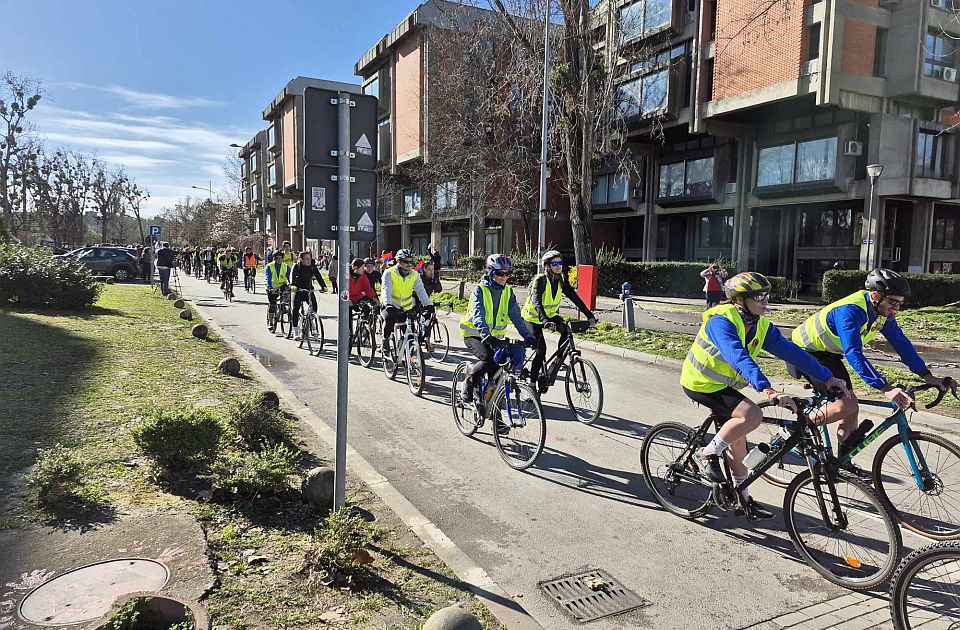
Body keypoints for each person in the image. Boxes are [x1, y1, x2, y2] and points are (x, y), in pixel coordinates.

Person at [681, 271, 850, 520]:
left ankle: (743, 500)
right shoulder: (721, 320)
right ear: (740, 299)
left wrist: (828, 378)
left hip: (724, 385)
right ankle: (706, 453)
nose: (764, 301)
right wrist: (767, 389)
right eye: (758, 297)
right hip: (701, 382)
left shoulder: (760, 325)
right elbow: (738, 357)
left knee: (738, 447)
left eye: (766, 296)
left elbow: (792, 352)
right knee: (751, 414)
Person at [790, 268, 952, 475]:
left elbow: (901, 343)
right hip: (806, 351)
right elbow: (853, 353)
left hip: (828, 353)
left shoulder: (882, 312)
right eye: (893, 302)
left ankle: (843, 464)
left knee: (851, 408)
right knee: (845, 404)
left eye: (900, 303)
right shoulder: (850, 311)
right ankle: (795, 431)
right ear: (876, 296)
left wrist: (927, 375)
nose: (897, 308)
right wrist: (885, 388)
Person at [459, 254, 536, 405]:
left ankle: (496, 419)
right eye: (500, 273)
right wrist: (486, 336)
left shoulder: (507, 292)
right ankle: (468, 382)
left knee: (497, 378)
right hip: (474, 335)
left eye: (507, 273)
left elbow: (517, 318)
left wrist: (528, 336)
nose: (504, 277)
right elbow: (478, 315)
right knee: (487, 359)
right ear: (491, 272)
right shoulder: (479, 291)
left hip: (495, 339)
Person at [522, 250, 596, 393]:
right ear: (547, 266)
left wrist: (589, 315)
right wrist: (544, 320)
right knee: (541, 350)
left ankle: (557, 362)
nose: (558, 266)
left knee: (566, 331)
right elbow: (537, 303)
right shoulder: (540, 280)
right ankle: (531, 383)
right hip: (532, 317)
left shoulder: (561, 279)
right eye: (555, 263)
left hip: (550, 316)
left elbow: (575, 298)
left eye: (560, 263)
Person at [380, 248, 434, 353]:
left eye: (411, 261)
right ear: (399, 261)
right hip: (391, 305)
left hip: (406, 307)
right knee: (389, 320)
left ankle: (409, 360)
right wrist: (388, 304)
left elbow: (421, 291)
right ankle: (385, 341)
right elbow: (386, 290)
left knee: (410, 335)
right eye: (406, 262)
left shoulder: (414, 275)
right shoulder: (389, 273)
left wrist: (428, 305)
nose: (409, 264)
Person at [290, 250, 328, 340]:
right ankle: (295, 329)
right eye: (306, 259)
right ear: (301, 259)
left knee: (314, 308)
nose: (308, 261)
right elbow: (292, 276)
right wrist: (293, 285)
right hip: (298, 290)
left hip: (308, 290)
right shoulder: (296, 266)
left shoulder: (312, 267)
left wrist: (323, 286)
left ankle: (312, 323)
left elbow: (318, 276)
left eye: (309, 259)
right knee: (295, 309)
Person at [265, 251, 292, 330]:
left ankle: (283, 307)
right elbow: (268, 278)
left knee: (287, 295)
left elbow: (289, 278)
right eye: (277, 258)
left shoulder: (286, 266)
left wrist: (291, 285)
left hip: (282, 286)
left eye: (281, 258)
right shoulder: (269, 266)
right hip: (272, 287)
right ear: (274, 258)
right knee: (272, 305)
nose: (279, 260)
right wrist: (270, 288)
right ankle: (270, 322)